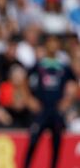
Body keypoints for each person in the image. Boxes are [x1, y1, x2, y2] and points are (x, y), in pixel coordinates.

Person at [24, 34, 77, 168]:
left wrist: (68, 100)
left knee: (56, 144)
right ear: (46, 45)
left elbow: (75, 82)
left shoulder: (63, 66)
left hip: (56, 111)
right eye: (50, 42)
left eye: (55, 42)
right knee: (33, 140)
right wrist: (29, 99)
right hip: (42, 110)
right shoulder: (40, 64)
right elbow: (25, 79)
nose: (53, 45)